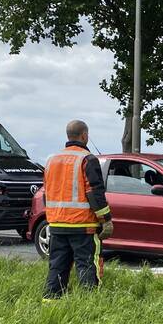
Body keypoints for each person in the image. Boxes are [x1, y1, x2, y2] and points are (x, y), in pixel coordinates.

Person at [42, 120, 113, 300]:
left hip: (56, 224)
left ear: (68, 136)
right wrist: (106, 219)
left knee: (57, 267)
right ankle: (87, 305)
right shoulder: (87, 159)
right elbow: (94, 192)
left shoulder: (52, 160)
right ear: (84, 136)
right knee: (87, 266)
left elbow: (46, 193)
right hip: (83, 225)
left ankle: (50, 304)